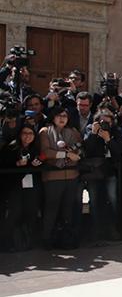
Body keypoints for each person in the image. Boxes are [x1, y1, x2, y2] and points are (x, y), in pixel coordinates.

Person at [39, 106, 82, 249]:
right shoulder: (45, 131)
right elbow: (46, 152)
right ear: (53, 117)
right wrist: (65, 154)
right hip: (53, 176)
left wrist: (75, 152)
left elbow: (81, 147)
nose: (62, 118)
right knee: (51, 209)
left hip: (71, 175)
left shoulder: (73, 131)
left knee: (68, 209)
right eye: (59, 116)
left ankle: (67, 239)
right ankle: (47, 239)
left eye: (65, 116)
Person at [82, 109, 122, 244]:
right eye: (102, 122)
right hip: (94, 171)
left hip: (110, 170)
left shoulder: (116, 131)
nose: (105, 124)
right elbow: (87, 149)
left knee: (112, 200)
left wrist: (108, 139)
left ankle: (112, 229)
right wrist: (94, 134)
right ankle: (96, 231)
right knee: (94, 201)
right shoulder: (91, 129)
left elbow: (119, 152)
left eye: (108, 122)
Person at [0, 123, 43, 251]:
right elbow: (3, 163)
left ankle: (27, 241)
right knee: (14, 213)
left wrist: (36, 163)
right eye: (24, 133)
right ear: (19, 135)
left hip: (31, 186)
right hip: (14, 186)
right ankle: (6, 243)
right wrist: (16, 164)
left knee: (31, 211)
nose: (27, 136)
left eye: (30, 133)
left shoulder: (35, 149)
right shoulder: (11, 147)